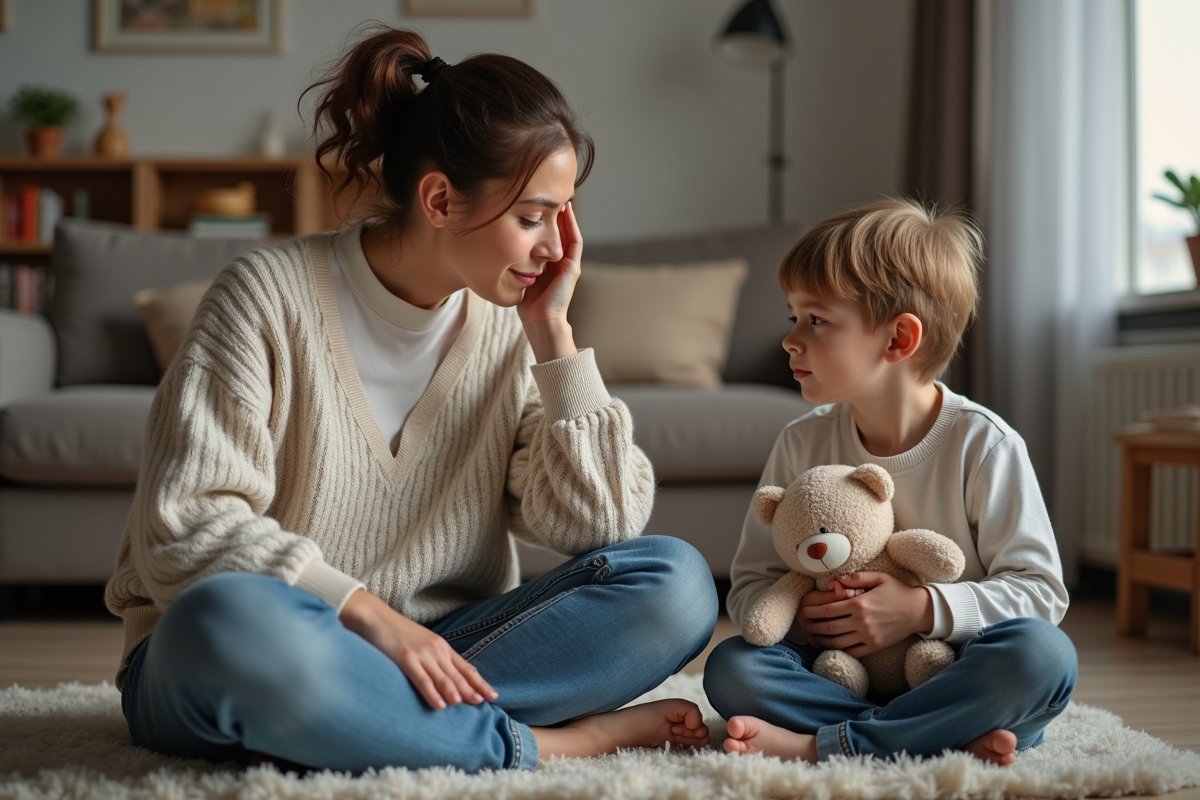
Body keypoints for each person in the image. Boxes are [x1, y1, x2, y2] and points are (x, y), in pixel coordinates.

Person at [104, 26, 718, 774]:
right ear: (439, 199)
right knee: (226, 620)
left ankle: (363, 722)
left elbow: (600, 526)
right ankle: (545, 743)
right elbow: (185, 528)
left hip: (444, 651)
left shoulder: (510, 331)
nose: (556, 248)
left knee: (676, 586)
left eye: (563, 217)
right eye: (532, 218)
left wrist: (554, 338)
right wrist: (368, 615)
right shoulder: (263, 297)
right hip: (261, 644)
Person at [702, 198, 1076, 766]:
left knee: (1043, 656)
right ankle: (937, 734)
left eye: (815, 320)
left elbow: (1040, 593)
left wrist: (922, 609)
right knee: (733, 669)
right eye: (792, 317)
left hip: (947, 666)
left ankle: (830, 744)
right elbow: (754, 582)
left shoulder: (985, 444)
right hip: (838, 675)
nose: (790, 339)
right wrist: (807, 620)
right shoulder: (801, 442)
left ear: (898, 339)